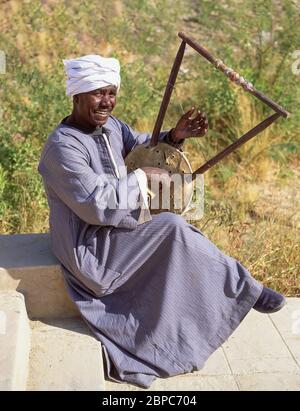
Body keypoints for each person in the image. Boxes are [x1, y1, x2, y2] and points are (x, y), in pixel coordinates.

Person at [38, 55, 286, 388]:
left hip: (116, 227)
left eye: (111, 93)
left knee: (182, 221)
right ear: (77, 94)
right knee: (171, 228)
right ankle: (245, 289)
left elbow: (141, 144)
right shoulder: (61, 148)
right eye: (98, 93)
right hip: (90, 246)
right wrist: (142, 178)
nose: (106, 102)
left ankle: (212, 302)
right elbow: (95, 204)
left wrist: (174, 135)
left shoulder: (110, 126)